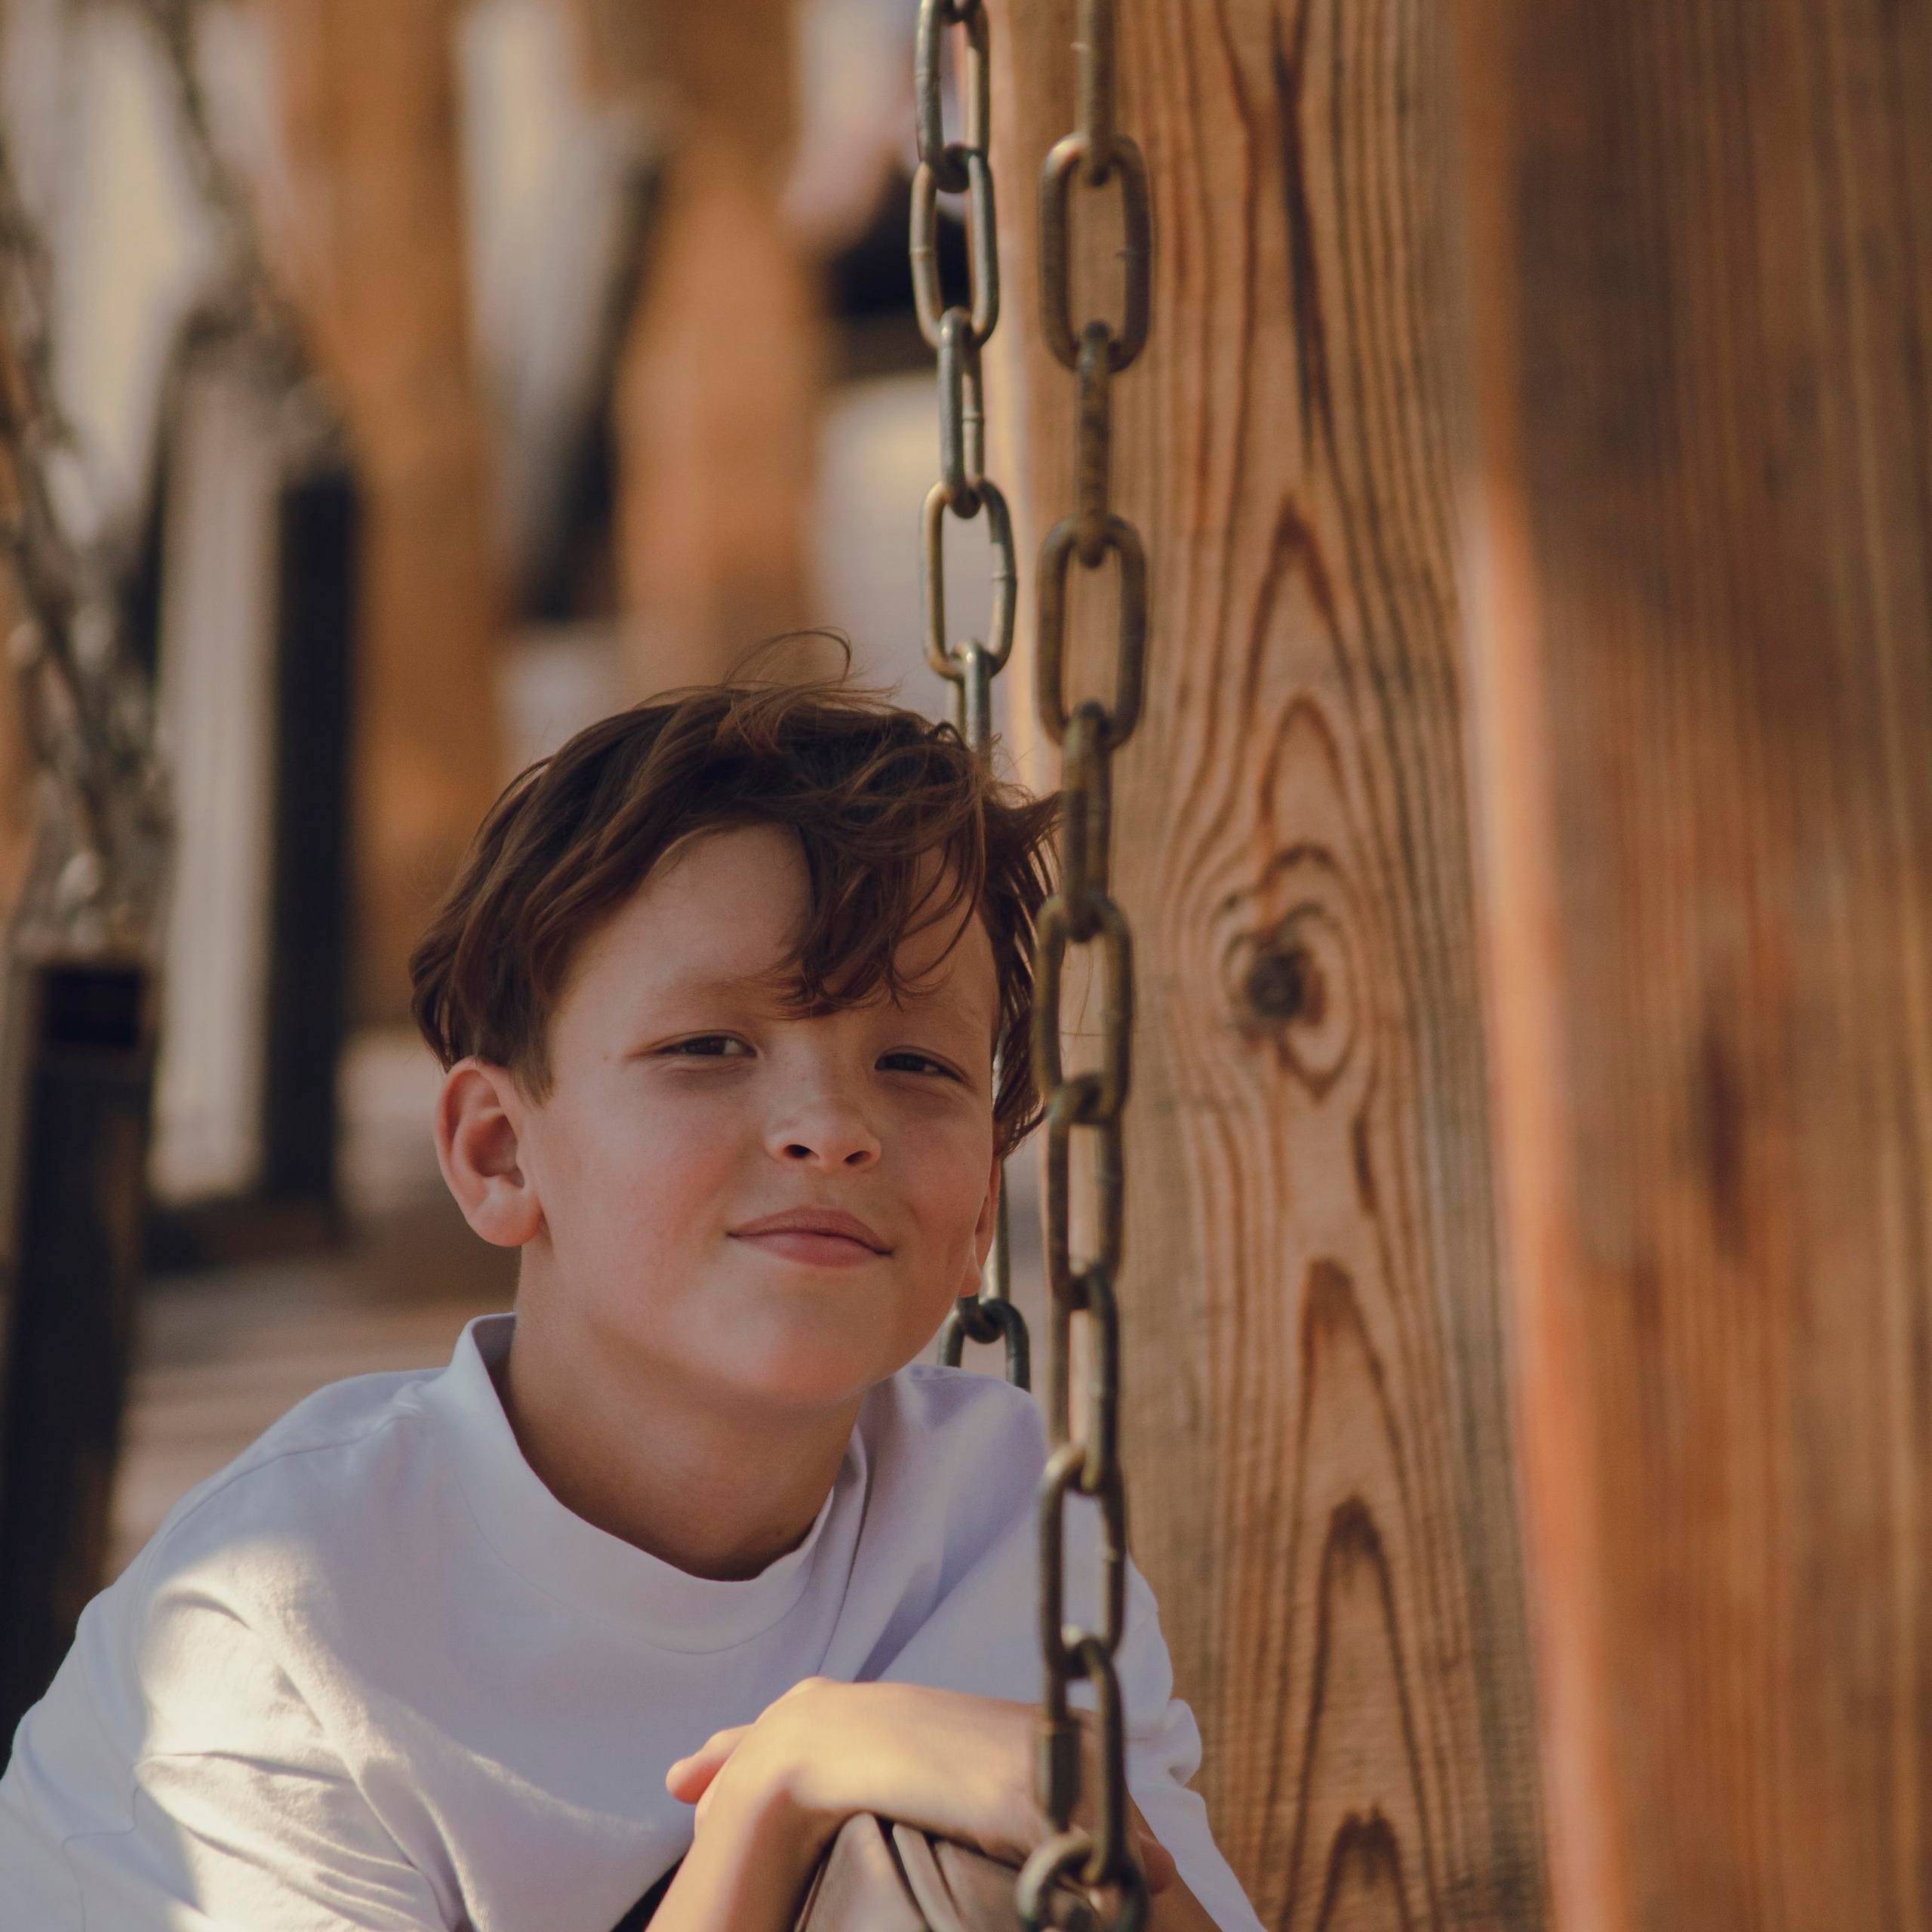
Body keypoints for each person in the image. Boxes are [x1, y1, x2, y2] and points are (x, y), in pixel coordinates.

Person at [0, 678, 1263, 1932]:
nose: (832, 1129)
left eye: (917, 1064)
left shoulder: (1004, 1533)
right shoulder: (290, 1632)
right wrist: (779, 1793)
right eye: (708, 1049)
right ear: (500, 1153)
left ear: (984, 1197)